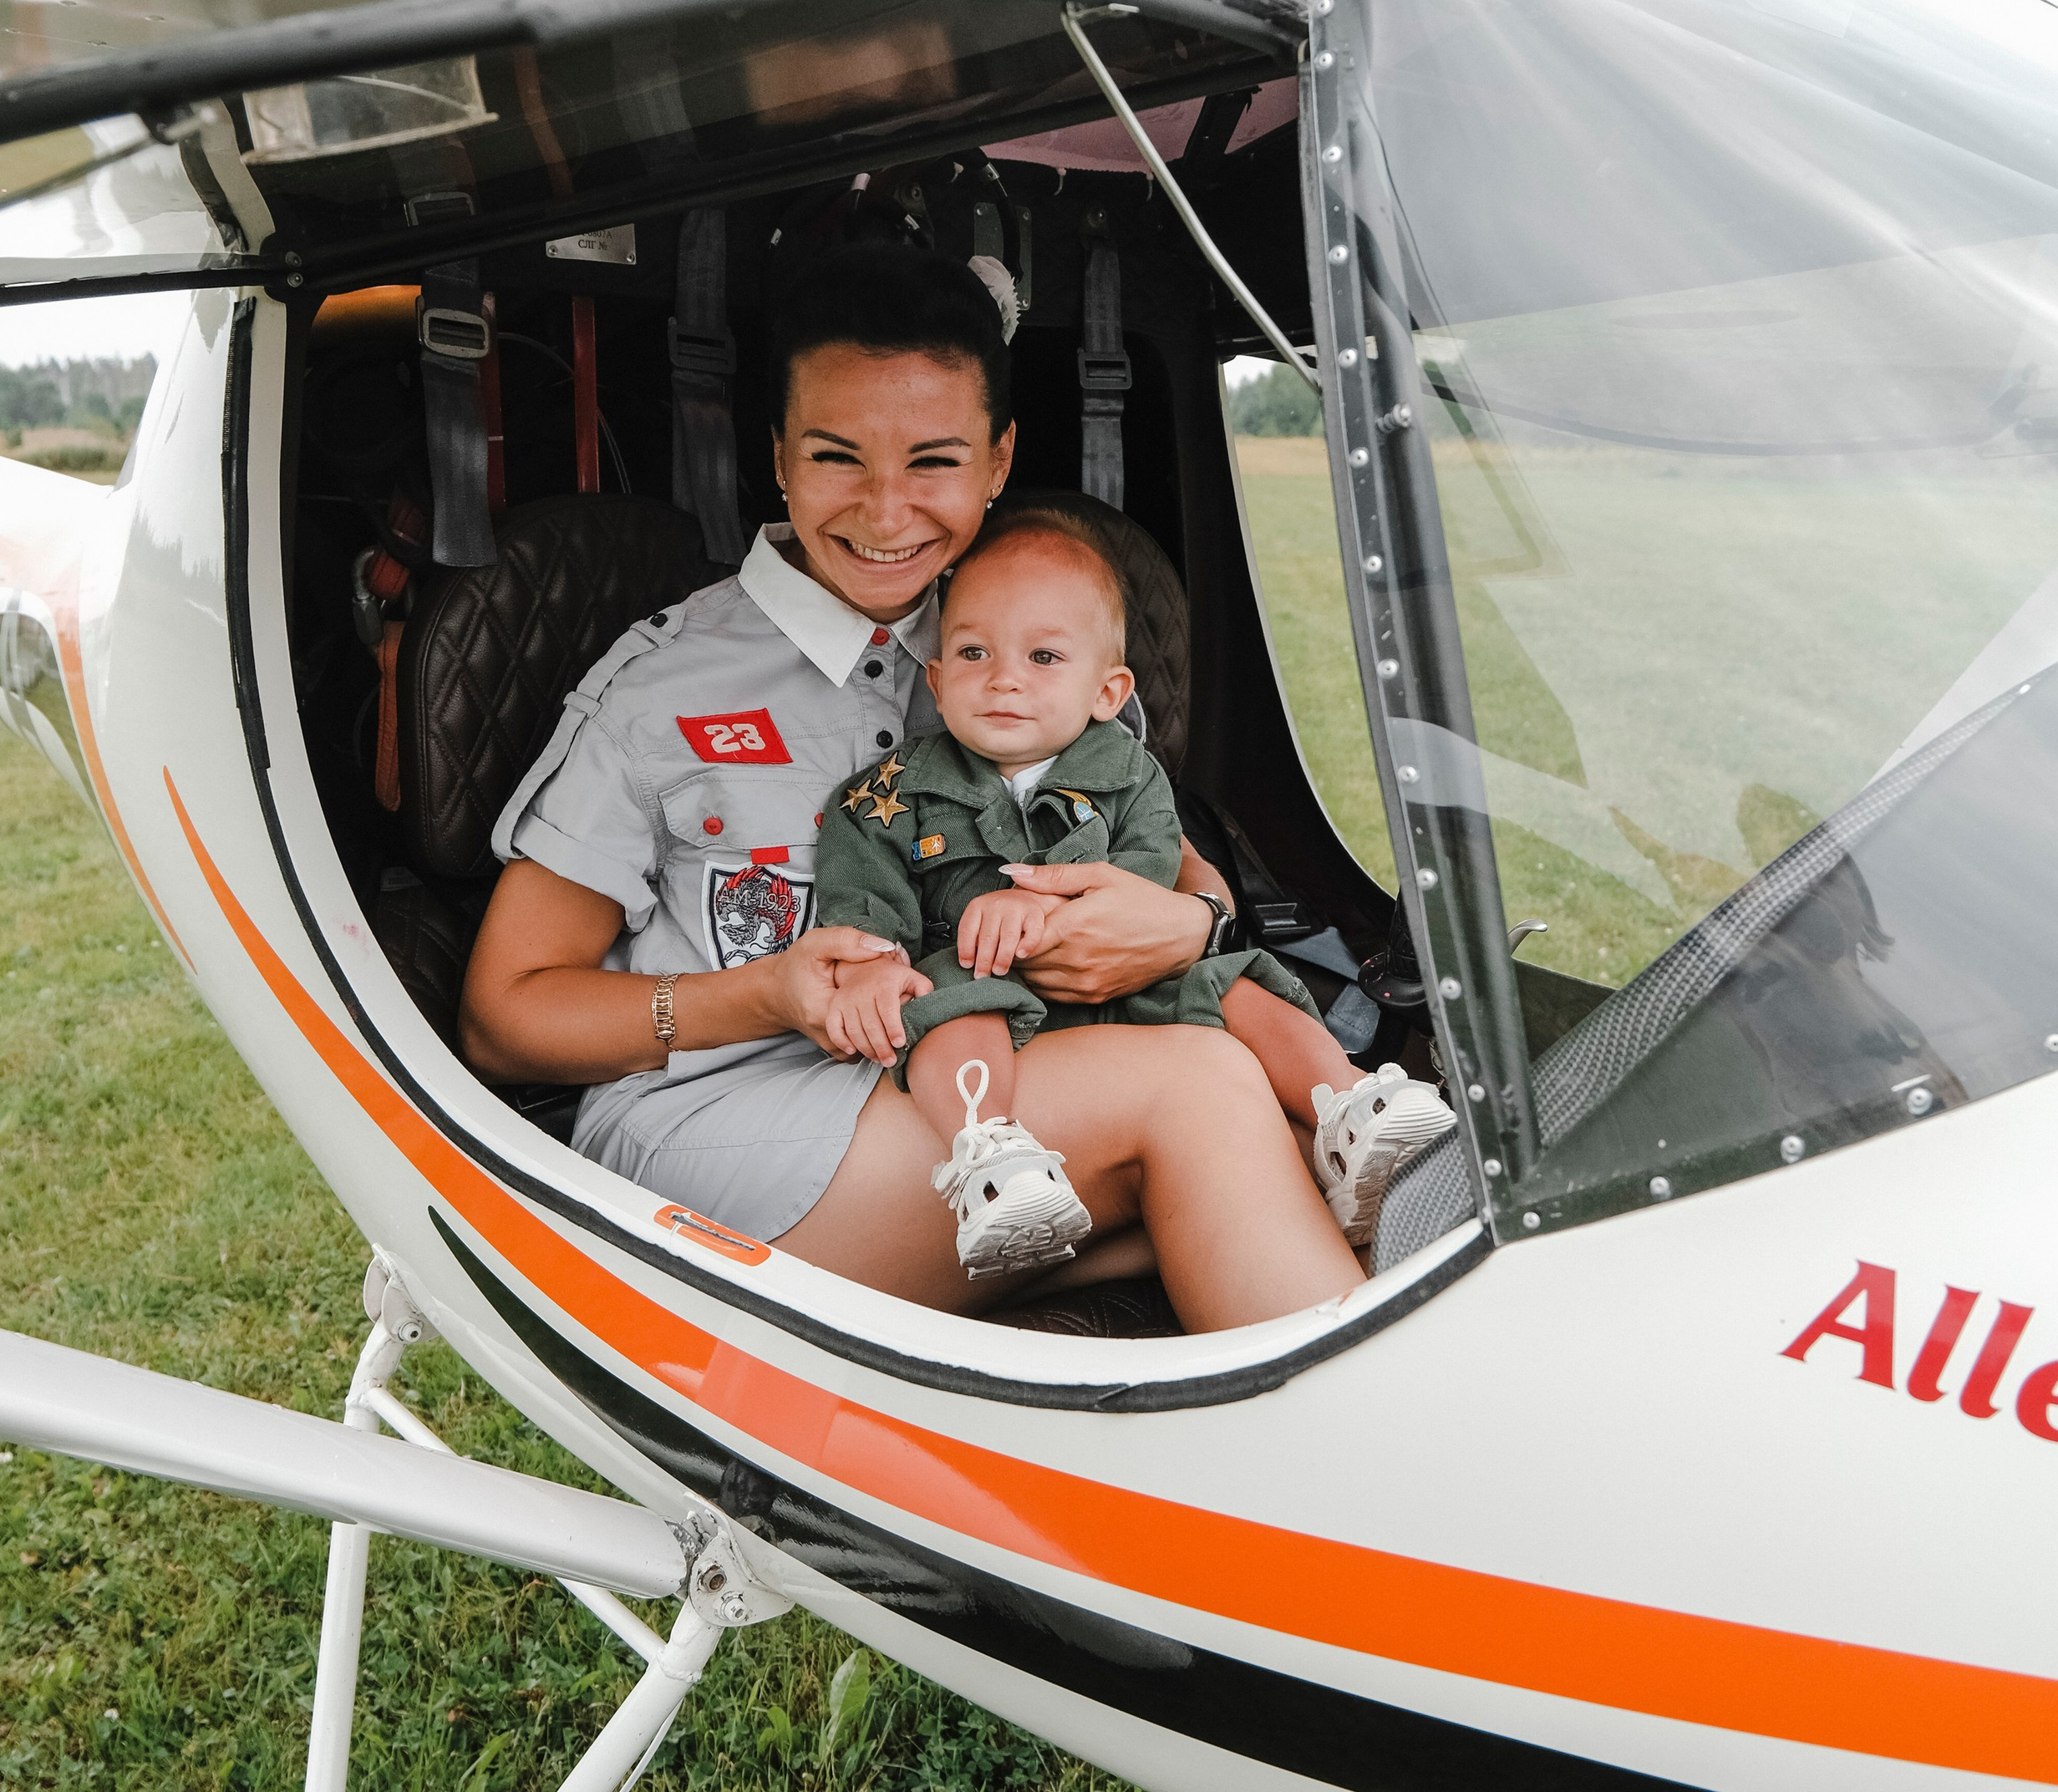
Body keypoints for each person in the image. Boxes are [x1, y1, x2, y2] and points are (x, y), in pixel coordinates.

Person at [459, 241, 1369, 1333]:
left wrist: (1186, 923)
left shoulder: (1029, 636)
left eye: (934, 462)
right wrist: (759, 995)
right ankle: (1387, 1471)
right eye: (839, 458)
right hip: (722, 1127)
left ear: (999, 460)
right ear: (781, 461)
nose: (889, 515)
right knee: (1203, 1088)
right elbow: (504, 1018)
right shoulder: (660, 690)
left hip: (990, 1090)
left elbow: (1175, 864)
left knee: (1288, 1134)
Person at [812, 511, 1454, 1276]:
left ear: (1108, 691)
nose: (1005, 677)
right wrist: (871, 968)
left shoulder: (1128, 772)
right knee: (946, 1005)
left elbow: (1153, 864)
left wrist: (1052, 906)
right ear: (940, 679)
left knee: (1234, 981)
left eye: (1044, 656)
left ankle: (1348, 1105)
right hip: (992, 1000)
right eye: (974, 651)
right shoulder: (888, 794)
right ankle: (991, 1156)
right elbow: (863, 899)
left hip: (1131, 982)